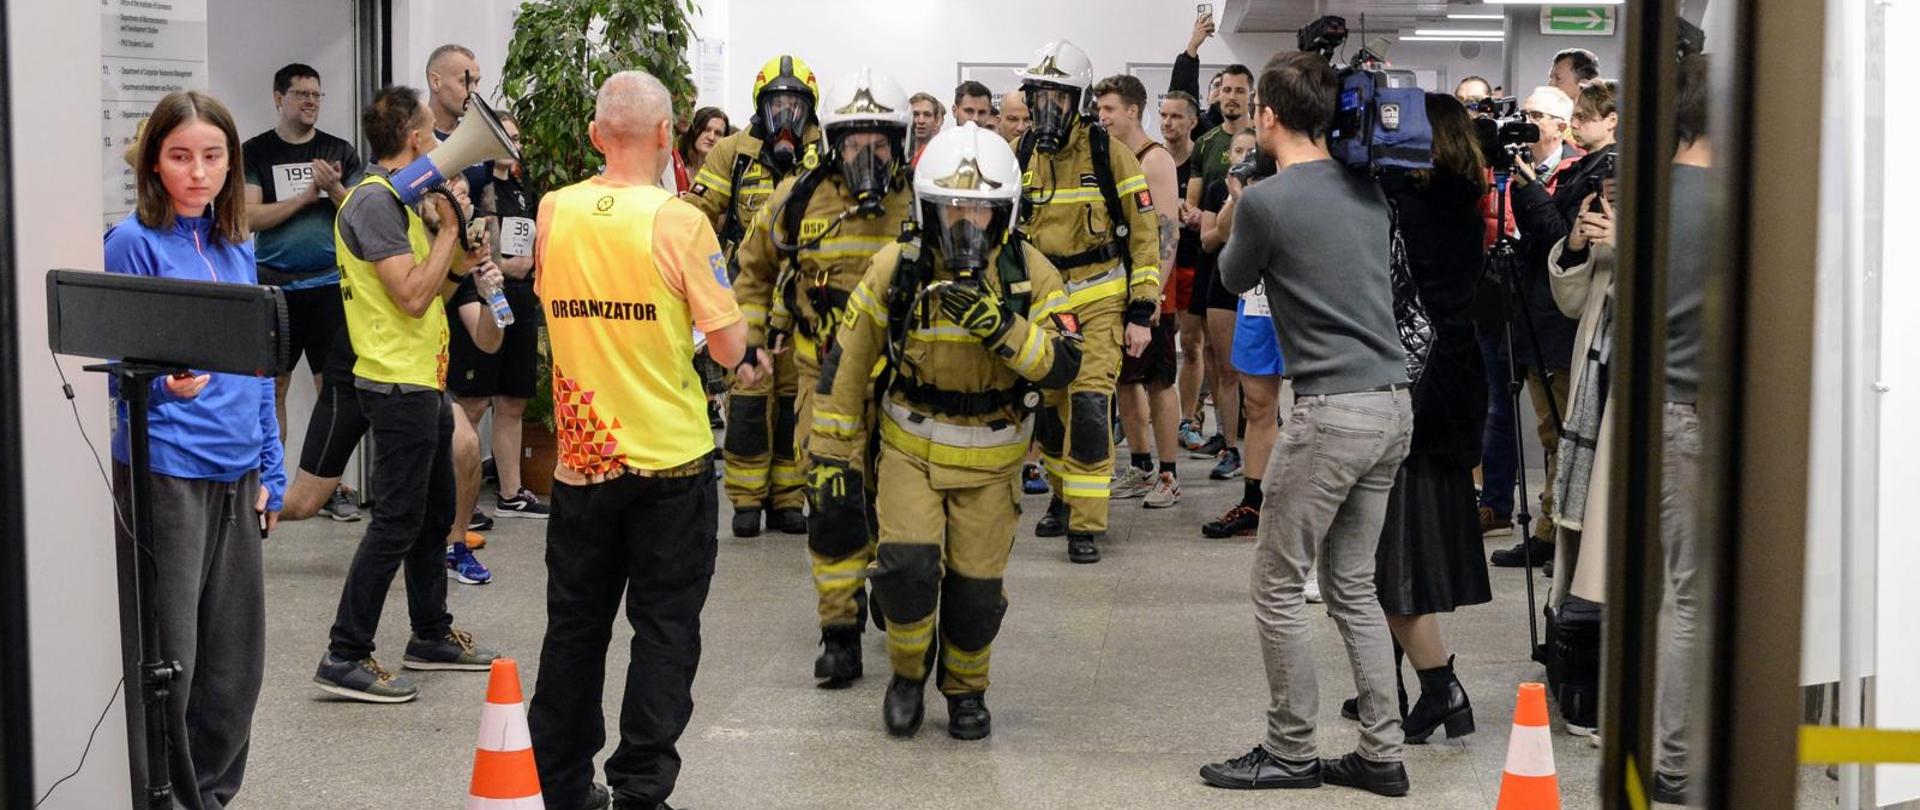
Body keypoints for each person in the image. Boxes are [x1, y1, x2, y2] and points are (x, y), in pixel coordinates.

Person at [810, 122, 1081, 740]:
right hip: (909, 448)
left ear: (1004, 214)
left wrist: (1003, 329)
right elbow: (845, 364)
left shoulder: (1030, 274)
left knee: (976, 596)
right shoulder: (898, 267)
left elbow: (1066, 363)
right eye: (952, 207)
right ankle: (907, 675)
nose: (966, 223)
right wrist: (829, 455)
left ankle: (965, 690)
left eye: (981, 211)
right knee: (904, 573)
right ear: (929, 210)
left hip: (993, 460)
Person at [1200, 52, 1413, 798]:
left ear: (1266, 116)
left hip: (1332, 414)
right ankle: (1381, 752)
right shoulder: (1368, 189)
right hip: (1392, 406)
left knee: (1277, 583)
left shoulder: (1267, 198)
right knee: (1353, 584)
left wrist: (1233, 205)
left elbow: (1231, 277)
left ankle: (1290, 749)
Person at [105, 89, 283, 810]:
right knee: (170, 660)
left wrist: (270, 464)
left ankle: (211, 794)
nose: (198, 172)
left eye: (213, 157)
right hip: (166, 474)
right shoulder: (132, 243)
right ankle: (166, 798)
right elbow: (113, 368)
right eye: (180, 156)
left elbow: (258, 366)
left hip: (239, 474)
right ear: (153, 162)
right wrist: (153, 385)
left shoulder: (238, 245)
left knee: (235, 662)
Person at [1550, 56, 1709, 806]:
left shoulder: (1646, 200)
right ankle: (1670, 756)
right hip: (1679, 410)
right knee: (1689, 592)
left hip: (1645, 410)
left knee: (1659, 586)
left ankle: (1644, 734)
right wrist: (1583, 248)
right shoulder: (1738, 203)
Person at [314, 85, 504, 703]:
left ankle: (429, 634)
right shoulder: (373, 205)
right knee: (396, 521)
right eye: (434, 131)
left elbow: (435, 296)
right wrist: (449, 230)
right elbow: (411, 297)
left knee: (430, 517)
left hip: (421, 379)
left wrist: (458, 254)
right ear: (417, 140)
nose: (445, 143)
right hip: (394, 384)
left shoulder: (401, 205)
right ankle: (345, 653)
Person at [732, 67, 916, 687]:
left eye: (881, 140)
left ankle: (895, 591)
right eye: (855, 141)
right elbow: (753, 269)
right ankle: (839, 631)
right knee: (832, 501)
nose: (869, 153)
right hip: (824, 374)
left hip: (904, 382)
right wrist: (752, 340)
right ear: (834, 141)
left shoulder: (922, 202)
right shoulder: (799, 197)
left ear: (901, 143)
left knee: (897, 502)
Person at [1336, 93, 1493, 743]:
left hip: (1416, 391)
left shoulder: (1410, 204)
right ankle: (1388, 684)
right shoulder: (1460, 196)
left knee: (1391, 562)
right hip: (1452, 384)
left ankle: (1441, 691)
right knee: (1402, 550)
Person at [1013, 40, 1162, 565]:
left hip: (1100, 300)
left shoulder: (1108, 154)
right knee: (1051, 412)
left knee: (1091, 405)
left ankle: (1087, 521)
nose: (1047, 109)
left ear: (1076, 101)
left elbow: (1144, 237)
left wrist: (1142, 310)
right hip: (1045, 307)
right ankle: (1061, 495)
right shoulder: (1022, 154)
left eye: (1059, 98)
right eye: (1040, 97)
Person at [687, 53, 822, 538]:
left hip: (803, 293)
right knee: (748, 392)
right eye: (776, 103)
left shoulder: (822, 153)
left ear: (809, 107)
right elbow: (700, 213)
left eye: (795, 103)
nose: (785, 114)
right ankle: (745, 501)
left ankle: (787, 499)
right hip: (745, 288)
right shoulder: (732, 151)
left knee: (791, 393)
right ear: (760, 106)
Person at [241, 64, 362, 525]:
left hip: (331, 287)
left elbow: (358, 213)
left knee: (333, 389)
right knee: (274, 387)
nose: (310, 102)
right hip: (275, 288)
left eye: (316, 95)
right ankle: (271, 484)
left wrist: (333, 188)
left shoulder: (337, 150)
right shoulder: (256, 152)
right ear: (278, 97)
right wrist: (306, 196)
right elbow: (250, 218)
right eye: (301, 94)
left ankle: (332, 486)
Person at [1489, 85, 1584, 569]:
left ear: (1561, 126)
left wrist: (1527, 186)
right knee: (1548, 433)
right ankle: (1547, 526)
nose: (1525, 123)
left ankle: (1559, 532)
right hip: (1524, 315)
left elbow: (1557, 240)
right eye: (1522, 113)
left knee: (1566, 432)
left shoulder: (1579, 172)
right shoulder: (1512, 172)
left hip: (1560, 323)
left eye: (1535, 115)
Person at [452, 110, 549, 520]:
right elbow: (480, 248)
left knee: (512, 401)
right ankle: (461, 503)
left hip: (523, 301)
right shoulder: (477, 185)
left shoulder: (527, 191)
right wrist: (505, 266)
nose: (512, 144)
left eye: (516, 137)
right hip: (483, 294)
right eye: (504, 136)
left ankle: (511, 492)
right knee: (473, 404)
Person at [1095, 74, 1184, 509]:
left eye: (1109, 109)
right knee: (1124, 383)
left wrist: (1151, 300)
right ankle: (1141, 464)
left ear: (1132, 111)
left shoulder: (1155, 160)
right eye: (1099, 109)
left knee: (1158, 382)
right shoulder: (1112, 157)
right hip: (1117, 290)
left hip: (1149, 293)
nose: (1102, 117)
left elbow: (1167, 233)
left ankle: (1169, 473)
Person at [1196, 128, 1260, 538]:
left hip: (1261, 285)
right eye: (1237, 150)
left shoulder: (1275, 186)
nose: (1243, 156)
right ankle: (1229, 444)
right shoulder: (1221, 187)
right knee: (1225, 371)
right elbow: (1209, 239)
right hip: (1223, 280)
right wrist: (1237, 198)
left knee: (1256, 383)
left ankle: (1257, 456)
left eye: (1250, 151)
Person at [1158, 90, 1210, 454]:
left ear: (1192, 121)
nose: (1167, 122)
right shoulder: (1150, 159)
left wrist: (1192, 215)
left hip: (1191, 259)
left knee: (1191, 344)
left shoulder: (1201, 162)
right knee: (1153, 346)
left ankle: (1187, 420)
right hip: (1159, 264)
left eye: (1176, 116)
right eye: (1163, 115)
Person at [1171, 10, 1224, 139]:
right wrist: (1193, 47)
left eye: (1227, 88)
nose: (1221, 90)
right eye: (1217, 85)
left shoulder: (1246, 130)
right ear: (1207, 97)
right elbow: (1182, 95)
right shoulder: (1197, 124)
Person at [673, 106, 731, 194]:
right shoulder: (674, 163)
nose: (711, 137)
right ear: (694, 129)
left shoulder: (724, 176)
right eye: (706, 130)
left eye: (718, 133)